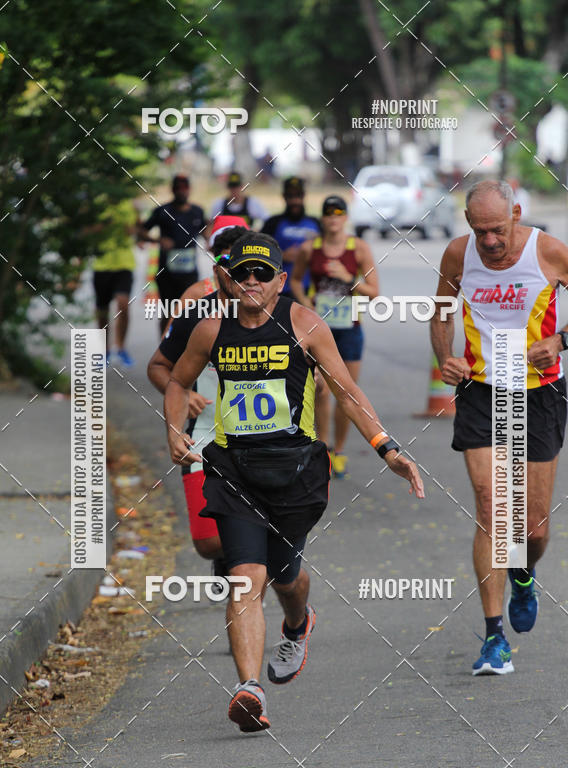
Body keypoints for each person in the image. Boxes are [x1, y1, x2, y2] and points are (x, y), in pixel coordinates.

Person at [164, 231, 424, 733]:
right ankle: (249, 689)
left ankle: (298, 623)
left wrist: (386, 448)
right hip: (234, 469)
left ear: (282, 280)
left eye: (264, 273)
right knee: (246, 577)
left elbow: (347, 393)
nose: (253, 281)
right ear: (229, 279)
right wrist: (174, 429)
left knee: (286, 578)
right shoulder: (210, 331)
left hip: (295, 474)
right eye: (243, 273)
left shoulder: (304, 325)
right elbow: (177, 380)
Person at [431, 179, 568, 676]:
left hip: (538, 391)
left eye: (497, 230)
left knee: (533, 527)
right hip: (482, 390)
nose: (489, 242)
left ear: (518, 215)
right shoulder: (458, 255)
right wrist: (446, 359)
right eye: (480, 231)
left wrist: (563, 339)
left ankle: (524, 572)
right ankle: (494, 637)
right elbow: (441, 312)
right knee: (492, 507)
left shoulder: (547, 250)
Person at [147, 218, 250, 599]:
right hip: (204, 432)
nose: (232, 271)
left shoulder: (276, 310)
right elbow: (160, 367)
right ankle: (228, 558)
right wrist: (184, 394)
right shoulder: (196, 306)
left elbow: (317, 371)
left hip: (265, 439)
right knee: (208, 543)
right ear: (213, 264)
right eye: (222, 261)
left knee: (258, 553)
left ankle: (269, 599)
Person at [290, 195, 379, 479]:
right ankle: (324, 448)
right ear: (323, 217)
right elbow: (294, 279)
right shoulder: (309, 248)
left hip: (349, 329)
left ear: (345, 217)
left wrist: (348, 278)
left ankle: (339, 450)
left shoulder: (359, 248)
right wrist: (306, 302)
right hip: (318, 330)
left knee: (347, 391)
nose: (333, 218)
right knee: (320, 390)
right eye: (328, 213)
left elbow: (374, 290)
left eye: (338, 213)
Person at [138, 174, 206, 335]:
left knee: (190, 313)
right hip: (166, 273)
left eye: (184, 188)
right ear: (173, 190)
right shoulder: (162, 211)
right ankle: (164, 348)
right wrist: (157, 240)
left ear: (189, 190)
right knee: (167, 313)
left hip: (189, 273)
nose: (181, 192)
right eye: (178, 188)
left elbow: (207, 232)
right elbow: (141, 231)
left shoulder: (197, 212)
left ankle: (186, 352)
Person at [92, 197, 138, 367]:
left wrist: (128, 227)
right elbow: (87, 231)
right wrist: (104, 225)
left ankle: (121, 347)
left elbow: (133, 230)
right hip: (102, 264)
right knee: (102, 310)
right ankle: (104, 351)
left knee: (123, 303)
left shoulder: (128, 203)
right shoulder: (97, 203)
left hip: (124, 264)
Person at [262, 176, 320, 287]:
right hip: (280, 290)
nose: (295, 200)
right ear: (284, 197)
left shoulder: (316, 223)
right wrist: (281, 256)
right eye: (290, 196)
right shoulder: (272, 223)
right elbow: (259, 252)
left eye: (298, 195)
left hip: (311, 289)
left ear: (304, 196)